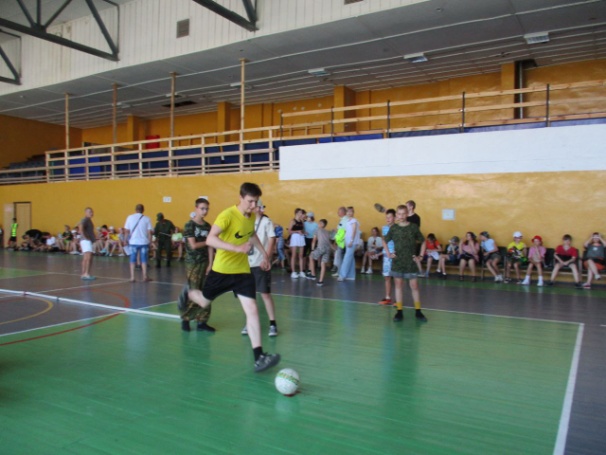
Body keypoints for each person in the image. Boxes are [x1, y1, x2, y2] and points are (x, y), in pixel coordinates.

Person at [177, 182, 280, 373]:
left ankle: (259, 357)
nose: (253, 206)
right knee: (204, 302)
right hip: (222, 271)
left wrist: (265, 254)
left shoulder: (250, 216)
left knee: (252, 310)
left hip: (242, 272)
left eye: (256, 202)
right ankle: (189, 293)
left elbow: (251, 234)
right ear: (240, 198)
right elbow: (210, 239)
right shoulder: (227, 215)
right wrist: (236, 248)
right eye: (250, 201)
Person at [383, 204, 427, 322]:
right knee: (398, 286)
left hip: (411, 262)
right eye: (399, 214)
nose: (401, 216)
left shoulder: (413, 227)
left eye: (404, 214)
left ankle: (418, 311)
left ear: (407, 214)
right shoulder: (394, 228)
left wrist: (420, 256)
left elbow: (423, 241)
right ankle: (399, 311)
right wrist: (389, 254)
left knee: (414, 286)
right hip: (398, 262)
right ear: (396, 215)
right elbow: (384, 240)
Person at [242, 200, 279, 337]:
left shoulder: (266, 222)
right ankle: (249, 322)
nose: (253, 207)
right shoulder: (245, 221)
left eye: (257, 205)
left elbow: (272, 240)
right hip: (246, 263)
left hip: (260, 263)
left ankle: (273, 323)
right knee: (248, 295)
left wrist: (266, 258)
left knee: (265, 294)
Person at [179, 198, 215, 332]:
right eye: (202, 208)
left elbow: (211, 247)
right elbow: (193, 245)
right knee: (194, 291)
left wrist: (211, 263)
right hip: (192, 263)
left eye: (207, 209)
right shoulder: (190, 225)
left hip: (205, 262)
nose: (205, 211)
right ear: (196, 208)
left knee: (206, 291)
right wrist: (208, 241)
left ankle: (202, 321)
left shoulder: (208, 226)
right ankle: (186, 318)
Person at [124, 203, 154, 282]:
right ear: (143, 210)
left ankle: (132, 277)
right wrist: (150, 242)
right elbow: (149, 232)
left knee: (132, 259)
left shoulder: (130, 217)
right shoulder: (147, 219)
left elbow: (127, 231)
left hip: (133, 242)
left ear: (135, 209)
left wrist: (125, 240)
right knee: (144, 259)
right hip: (144, 242)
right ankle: (145, 276)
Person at [378, 208, 396, 305]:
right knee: (387, 277)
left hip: (396, 255)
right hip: (387, 255)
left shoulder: (398, 228)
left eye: (390, 217)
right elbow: (384, 241)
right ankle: (388, 297)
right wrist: (388, 253)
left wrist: (395, 253)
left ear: (395, 218)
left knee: (397, 278)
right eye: (386, 217)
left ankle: (398, 300)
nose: (388, 219)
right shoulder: (384, 228)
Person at [338, 206, 360, 282]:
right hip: (347, 241)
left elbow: (354, 231)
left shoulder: (354, 221)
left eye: (351, 211)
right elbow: (347, 232)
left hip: (351, 242)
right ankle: (351, 275)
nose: (349, 213)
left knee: (347, 258)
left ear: (353, 212)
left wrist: (351, 241)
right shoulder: (348, 221)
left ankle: (342, 275)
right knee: (350, 258)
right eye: (348, 211)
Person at [308, 219, 332, 286]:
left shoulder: (317, 230)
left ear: (321, 224)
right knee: (323, 264)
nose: (318, 224)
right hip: (328, 249)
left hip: (321, 247)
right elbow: (330, 241)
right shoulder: (327, 232)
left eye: (319, 223)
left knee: (311, 256)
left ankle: (313, 274)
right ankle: (320, 281)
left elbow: (314, 241)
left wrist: (312, 250)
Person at [78, 207, 96, 280]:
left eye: (92, 212)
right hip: (86, 241)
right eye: (90, 212)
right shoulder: (85, 220)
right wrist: (85, 237)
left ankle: (84, 273)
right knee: (88, 257)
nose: (91, 213)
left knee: (86, 257)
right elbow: (80, 227)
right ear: (86, 212)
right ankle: (86, 273)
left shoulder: (89, 220)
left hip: (88, 241)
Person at [288, 208, 306, 278]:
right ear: (297, 213)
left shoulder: (302, 221)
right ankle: (293, 272)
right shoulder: (293, 221)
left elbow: (302, 230)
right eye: (300, 212)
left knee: (301, 255)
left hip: (301, 237)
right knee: (294, 255)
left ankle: (301, 271)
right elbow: (289, 231)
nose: (302, 214)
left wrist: (304, 232)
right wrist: (297, 231)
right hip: (295, 237)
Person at [331, 206, 348, 275]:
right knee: (339, 256)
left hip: (342, 241)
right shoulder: (343, 220)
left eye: (339, 212)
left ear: (342, 212)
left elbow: (343, 231)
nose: (338, 213)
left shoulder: (345, 220)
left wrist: (336, 230)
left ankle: (340, 272)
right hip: (341, 240)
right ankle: (340, 271)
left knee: (340, 256)